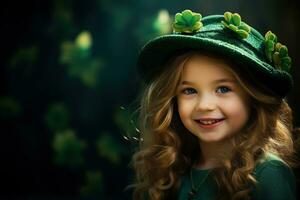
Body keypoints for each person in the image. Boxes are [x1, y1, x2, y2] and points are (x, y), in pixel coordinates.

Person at [128, 9, 297, 200]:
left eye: (223, 89)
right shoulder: (173, 170)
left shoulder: (268, 174)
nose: (205, 105)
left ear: (253, 96)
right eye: (189, 91)